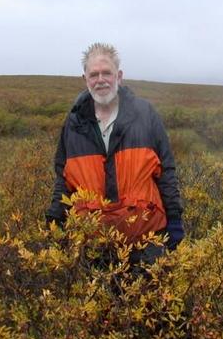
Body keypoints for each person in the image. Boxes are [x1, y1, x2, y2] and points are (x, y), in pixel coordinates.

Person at [47, 43, 184, 264]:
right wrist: (55, 222)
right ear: (85, 79)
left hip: (146, 242)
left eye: (106, 73)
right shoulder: (73, 124)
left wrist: (175, 221)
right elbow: (64, 180)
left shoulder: (145, 114)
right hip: (93, 247)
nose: (100, 80)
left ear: (118, 76)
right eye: (94, 74)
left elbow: (166, 172)